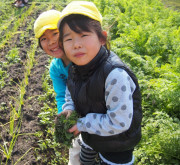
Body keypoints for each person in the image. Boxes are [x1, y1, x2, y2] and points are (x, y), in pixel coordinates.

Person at [58, 1, 142, 165]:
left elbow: (119, 122)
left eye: (83, 35)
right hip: (92, 135)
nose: (76, 44)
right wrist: (69, 108)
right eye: (68, 39)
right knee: (85, 159)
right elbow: (70, 89)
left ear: (102, 38)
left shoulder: (115, 75)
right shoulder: (75, 67)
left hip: (117, 144)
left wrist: (81, 124)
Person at [33, 10, 81, 165]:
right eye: (44, 39)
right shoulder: (55, 68)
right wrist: (64, 116)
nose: (51, 42)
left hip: (95, 109)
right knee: (76, 150)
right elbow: (61, 94)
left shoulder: (82, 57)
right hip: (73, 107)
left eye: (55, 34)